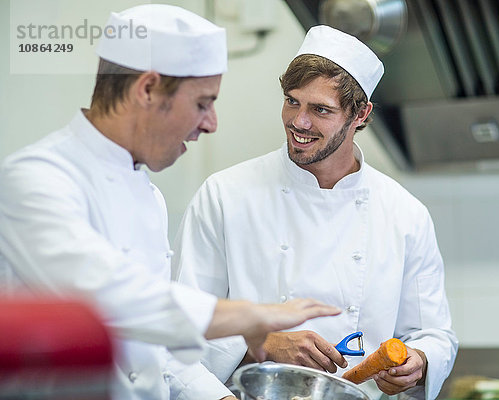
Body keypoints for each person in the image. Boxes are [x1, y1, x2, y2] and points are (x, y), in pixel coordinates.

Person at [0, 6, 341, 400]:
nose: (211, 123)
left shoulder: (149, 195)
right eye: (202, 103)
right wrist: (250, 316)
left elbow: (157, 350)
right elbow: (111, 297)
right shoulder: (35, 179)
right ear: (146, 89)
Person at [172, 25, 459, 400]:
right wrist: (261, 342)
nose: (299, 122)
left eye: (320, 109)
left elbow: (433, 335)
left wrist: (418, 362)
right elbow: (178, 326)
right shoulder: (226, 195)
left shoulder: (405, 213)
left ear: (361, 114)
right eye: (292, 101)